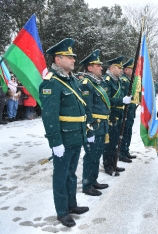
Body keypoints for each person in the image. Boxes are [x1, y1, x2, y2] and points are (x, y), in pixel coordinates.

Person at [39, 38, 89, 227]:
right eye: (70, 57)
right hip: (64, 139)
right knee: (60, 176)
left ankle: (72, 205)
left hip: (76, 136)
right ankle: (62, 212)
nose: (74, 60)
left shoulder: (71, 80)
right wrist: (55, 142)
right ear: (58, 59)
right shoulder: (52, 83)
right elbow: (49, 116)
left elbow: (79, 109)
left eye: (73, 57)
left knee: (71, 173)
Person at [79, 49, 110, 196]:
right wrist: (89, 129)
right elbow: (86, 108)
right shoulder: (86, 83)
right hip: (93, 126)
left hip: (101, 124)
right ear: (90, 68)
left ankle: (94, 180)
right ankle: (87, 185)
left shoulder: (97, 83)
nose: (101, 68)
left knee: (97, 154)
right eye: (98, 65)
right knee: (90, 155)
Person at [103, 56, 132, 176]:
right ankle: (108, 165)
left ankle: (113, 163)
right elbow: (106, 100)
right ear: (112, 68)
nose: (121, 70)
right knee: (109, 144)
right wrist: (121, 101)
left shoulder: (117, 80)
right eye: (119, 68)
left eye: (121, 68)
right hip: (110, 117)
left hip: (118, 116)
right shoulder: (107, 81)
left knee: (115, 142)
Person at [119, 58, 137, 163]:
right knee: (124, 132)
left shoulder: (130, 80)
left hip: (130, 111)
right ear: (126, 70)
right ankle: (122, 153)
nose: (134, 71)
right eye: (131, 69)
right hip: (126, 111)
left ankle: (126, 150)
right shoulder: (124, 81)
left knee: (128, 132)